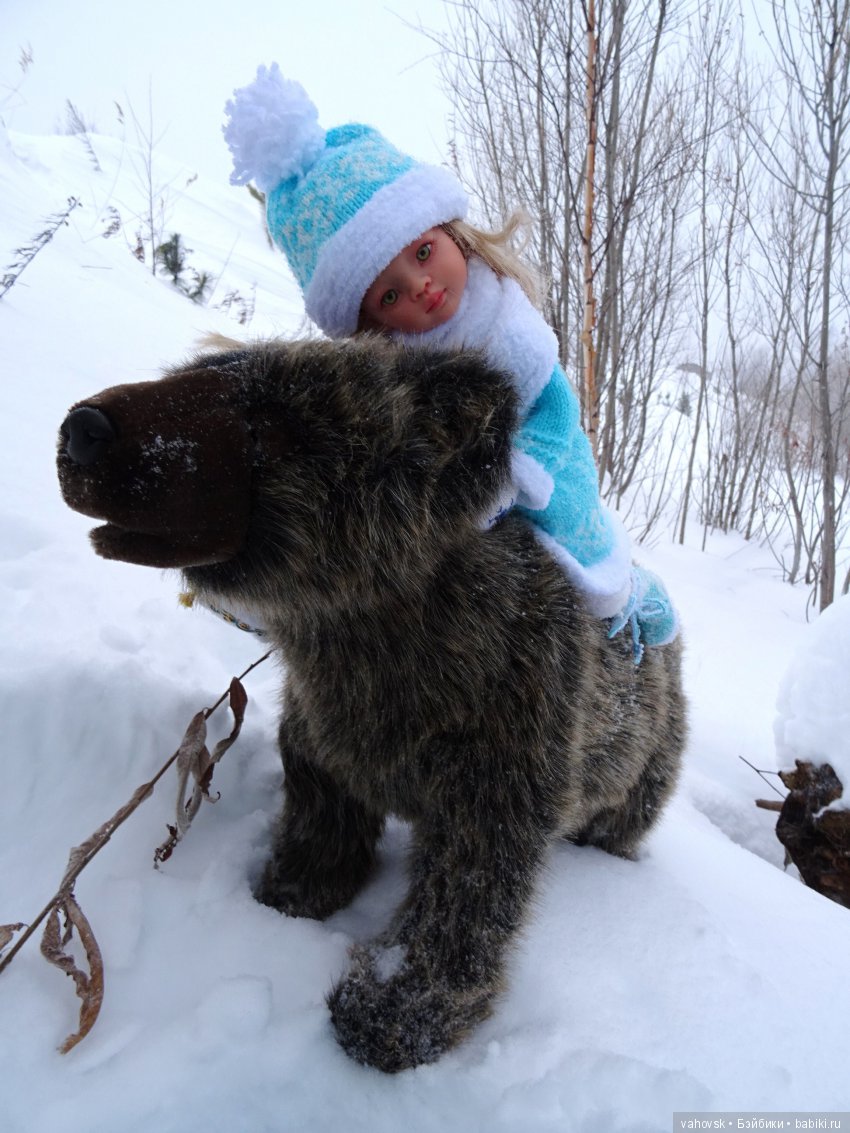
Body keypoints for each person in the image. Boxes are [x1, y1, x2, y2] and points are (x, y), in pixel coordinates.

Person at [222, 64, 678, 660]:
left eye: (422, 253)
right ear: (370, 324)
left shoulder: (502, 323)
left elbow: (547, 406)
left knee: (573, 553)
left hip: (537, 459)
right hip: (458, 483)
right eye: (389, 295)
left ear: (450, 232)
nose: (421, 286)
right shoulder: (391, 366)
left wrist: (510, 475)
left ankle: (628, 595)